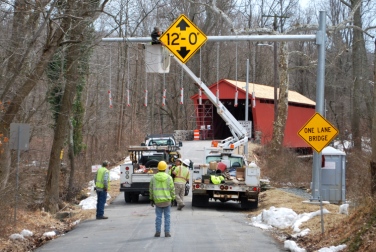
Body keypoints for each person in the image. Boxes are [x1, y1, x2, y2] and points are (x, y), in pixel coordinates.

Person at [149, 161, 175, 238]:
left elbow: (151, 189)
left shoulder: (153, 178)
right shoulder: (169, 178)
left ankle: (158, 232)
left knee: (158, 217)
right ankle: (167, 232)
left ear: (158, 168)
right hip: (167, 201)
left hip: (157, 201)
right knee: (167, 217)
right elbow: (172, 189)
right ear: (165, 168)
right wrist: (173, 198)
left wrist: (151, 199)